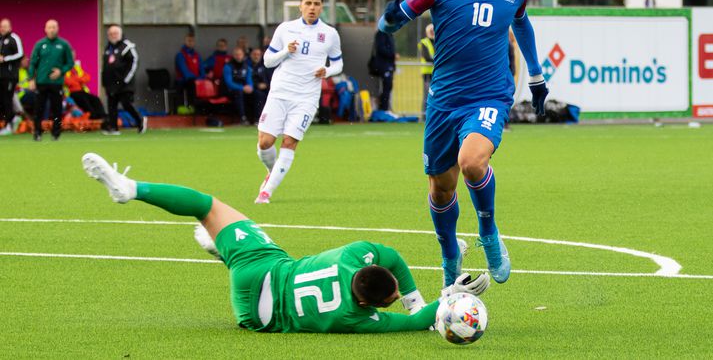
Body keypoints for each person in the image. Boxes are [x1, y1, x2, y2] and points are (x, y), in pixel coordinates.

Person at [81, 152, 490, 333]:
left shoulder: (352, 255)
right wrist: (447, 298)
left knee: (207, 206)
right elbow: (416, 323)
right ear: (368, 303)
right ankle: (219, 247)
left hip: (260, 269)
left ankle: (129, 187)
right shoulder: (355, 318)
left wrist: (420, 297)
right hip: (255, 317)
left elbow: (392, 255)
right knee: (219, 227)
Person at [377, 0, 549, 287]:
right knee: (441, 188)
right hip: (443, 102)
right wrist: (386, 22)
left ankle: (489, 235)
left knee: (471, 162)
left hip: (488, 95)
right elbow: (394, 20)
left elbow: (521, 22)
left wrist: (535, 76)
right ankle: (450, 258)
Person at [255, 0, 343, 204]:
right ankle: (272, 170)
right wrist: (286, 51)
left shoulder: (330, 34)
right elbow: (267, 61)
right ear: (300, 6)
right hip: (280, 92)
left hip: (306, 97)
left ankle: (266, 192)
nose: (312, 8)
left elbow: (338, 63)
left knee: (290, 141)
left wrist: (327, 71)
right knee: (265, 142)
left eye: (316, 4)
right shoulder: (285, 29)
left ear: (321, 7)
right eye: (308, 3)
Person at [28, 19, 74, 141]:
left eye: (54, 27)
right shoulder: (40, 44)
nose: (52, 29)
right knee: (39, 108)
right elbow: (33, 63)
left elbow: (70, 63)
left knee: (57, 109)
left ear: (58, 28)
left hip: (56, 83)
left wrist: (61, 71)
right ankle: (37, 133)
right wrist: (31, 79)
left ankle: (56, 133)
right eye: (49, 27)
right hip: (41, 81)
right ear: (45, 29)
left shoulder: (63, 44)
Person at [102, 24, 145, 135]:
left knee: (126, 103)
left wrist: (125, 80)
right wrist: (104, 81)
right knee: (112, 105)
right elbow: (106, 66)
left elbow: (134, 62)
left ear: (121, 34)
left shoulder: (127, 46)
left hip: (124, 83)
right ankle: (113, 127)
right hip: (111, 84)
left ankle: (140, 120)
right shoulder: (108, 49)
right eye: (111, 34)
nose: (113, 36)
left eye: (115, 33)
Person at [65, 49, 107, 121]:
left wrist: (77, 79)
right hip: (71, 93)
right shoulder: (63, 68)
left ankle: (102, 116)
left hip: (81, 91)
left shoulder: (77, 68)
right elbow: (67, 81)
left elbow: (87, 77)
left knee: (95, 99)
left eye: (73, 56)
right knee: (84, 100)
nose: (72, 58)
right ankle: (93, 117)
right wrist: (79, 79)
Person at [0, 18, 24, 135]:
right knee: (2, 100)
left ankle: (9, 124)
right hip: (1, 76)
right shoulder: (0, 40)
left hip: (10, 76)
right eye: (1, 26)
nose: (2, 28)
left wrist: (5, 59)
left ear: (10, 27)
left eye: (5, 26)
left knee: (7, 99)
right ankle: (12, 119)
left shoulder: (14, 38)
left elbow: (20, 54)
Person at [223, 46, 253, 124]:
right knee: (238, 93)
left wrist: (251, 87)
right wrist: (242, 88)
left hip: (244, 90)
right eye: (236, 54)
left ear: (243, 55)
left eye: (240, 54)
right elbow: (229, 83)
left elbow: (249, 80)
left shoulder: (247, 67)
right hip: (230, 90)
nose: (238, 56)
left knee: (258, 94)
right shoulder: (228, 66)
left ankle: (257, 118)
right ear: (233, 55)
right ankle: (242, 118)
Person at [175, 33, 204, 107]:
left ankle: (200, 107)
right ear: (185, 41)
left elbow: (201, 69)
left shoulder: (197, 55)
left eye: (192, 41)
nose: (190, 42)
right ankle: (188, 107)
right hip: (183, 80)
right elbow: (185, 72)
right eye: (189, 40)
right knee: (191, 84)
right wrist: (196, 79)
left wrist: (201, 78)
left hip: (195, 80)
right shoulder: (180, 55)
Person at [371, 30, 397, 111]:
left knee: (388, 87)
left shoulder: (390, 34)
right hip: (383, 66)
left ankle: (384, 108)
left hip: (388, 66)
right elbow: (381, 49)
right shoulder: (381, 34)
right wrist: (393, 54)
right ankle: (383, 109)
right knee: (385, 87)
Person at [248, 47, 270, 121]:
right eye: (254, 54)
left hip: (265, 88)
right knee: (259, 95)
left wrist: (266, 85)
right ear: (251, 55)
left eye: (258, 54)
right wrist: (257, 85)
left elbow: (269, 78)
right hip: (251, 88)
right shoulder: (246, 65)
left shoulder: (265, 66)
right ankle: (258, 119)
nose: (256, 56)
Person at [418, 24, 436, 117]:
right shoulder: (424, 42)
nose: (432, 32)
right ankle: (424, 115)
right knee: (427, 95)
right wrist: (438, 60)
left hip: (436, 72)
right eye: (431, 30)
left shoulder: (437, 41)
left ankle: (431, 115)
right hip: (427, 72)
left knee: (435, 95)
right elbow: (426, 57)